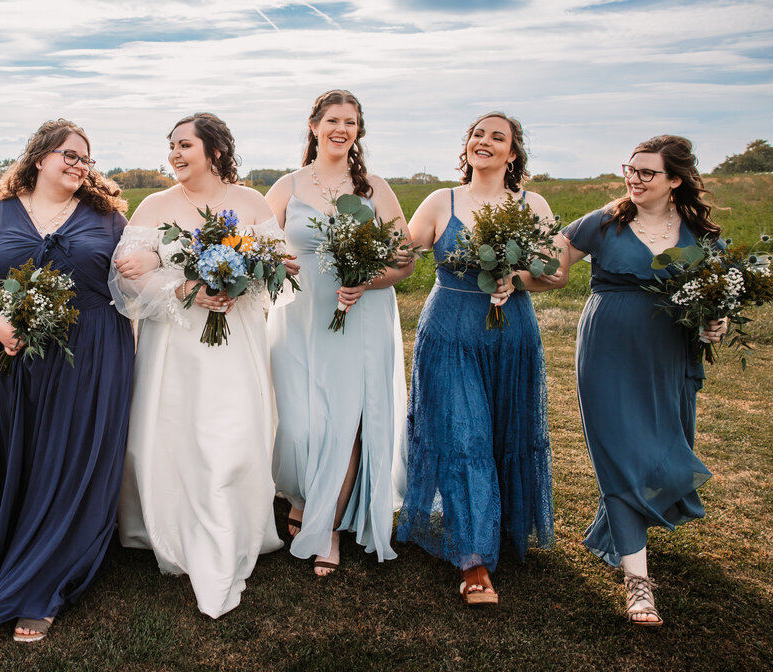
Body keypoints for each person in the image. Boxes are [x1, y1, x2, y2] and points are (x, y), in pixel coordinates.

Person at [0, 119, 134, 642]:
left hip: (93, 350)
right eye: (70, 155)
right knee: (27, 458)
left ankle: (44, 584)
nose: (80, 165)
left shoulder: (108, 217)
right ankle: (21, 547)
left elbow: (130, 282)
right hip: (18, 355)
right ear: (39, 158)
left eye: (86, 159)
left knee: (74, 457)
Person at [110, 112, 284, 619]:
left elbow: (278, 267)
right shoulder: (155, 205)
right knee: (178, 431)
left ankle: (231, 525)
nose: (175, 155)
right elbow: (127, 279)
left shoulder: (250, 202)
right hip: (175, 346)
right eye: (171, 147)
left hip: (235, 340)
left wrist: (241, 280)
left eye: (185, 145)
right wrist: (186, 286)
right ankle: (179, 524)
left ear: (214, 149)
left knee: (230, 433)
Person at [556, 135, 725, 627]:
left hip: (670, 354)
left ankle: (616, 532)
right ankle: (638, 584)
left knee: (666, 453)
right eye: (630, 168)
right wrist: (506, 272)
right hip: (607, 351)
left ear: (675, 180)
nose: (634, 177)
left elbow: (716, 300)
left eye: (647, 172)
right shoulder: (603, 222)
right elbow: (550, 268)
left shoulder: (698, 234)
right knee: (620, 456)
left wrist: (718, 323)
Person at [395, 111, 557, 605]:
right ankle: (474, 562)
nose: (483, 141)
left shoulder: (533, 203)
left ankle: (498, 526)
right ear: (467, 146)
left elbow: (555, 271)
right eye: (477, 134)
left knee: (507, 431)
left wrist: (519, 278)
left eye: (497, 136)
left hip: (513, 335)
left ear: (513, 153)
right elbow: (403, 253)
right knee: (464, 437)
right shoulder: (440, 201)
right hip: (449, 332)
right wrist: (351, 256)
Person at [264, 90, 412, 576]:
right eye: (332, 119)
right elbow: (258, 247)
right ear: (313, 126)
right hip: (299, 315)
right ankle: (305, 494)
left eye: (350, 121)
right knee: (301, 421)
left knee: (344, 421)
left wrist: (367, 279)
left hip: (359, 317)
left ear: (358, 130)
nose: (340, 128)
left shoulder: (374, 188)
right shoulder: (286, 186)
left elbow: (403, 258)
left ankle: (326, 523)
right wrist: (274, 262)